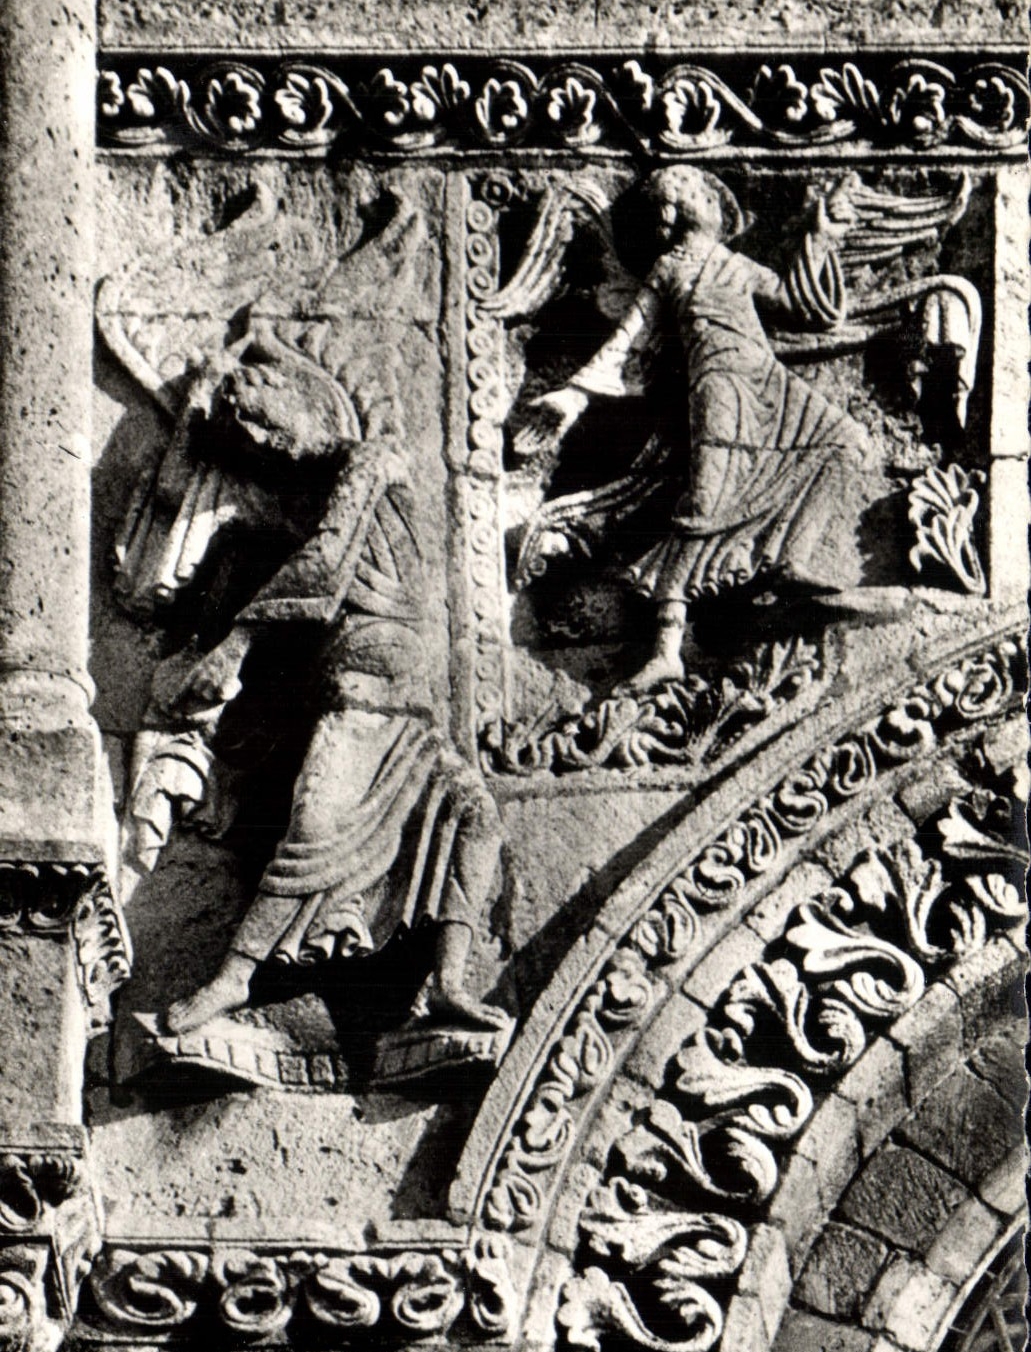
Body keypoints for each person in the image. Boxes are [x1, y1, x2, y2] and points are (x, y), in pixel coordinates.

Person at [150, 330, 503, 1038]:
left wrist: (237, 645)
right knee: (310, 832)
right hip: (356, 703)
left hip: (408, 711)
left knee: (477, 817)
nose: (258, 437)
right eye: (245, 436)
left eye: (261, 413)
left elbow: (323, 564)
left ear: (303, 397)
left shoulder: (369, 463)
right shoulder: (300, 511)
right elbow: (276, 548)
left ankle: (448, 981)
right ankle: (231, 979)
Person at [514, 166, 868, 692]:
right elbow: (627, 341)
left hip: (767, 379)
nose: (707, 201)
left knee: (840, 441)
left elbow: (799, 309)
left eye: (702, 192)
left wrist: (819, 237)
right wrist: (573, 394)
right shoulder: (668, 270)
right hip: (717, 386)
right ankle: (666, 648)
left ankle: (791, 559)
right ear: (672, 211)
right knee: (704, 504)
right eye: (695, 194)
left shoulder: (733, 263)